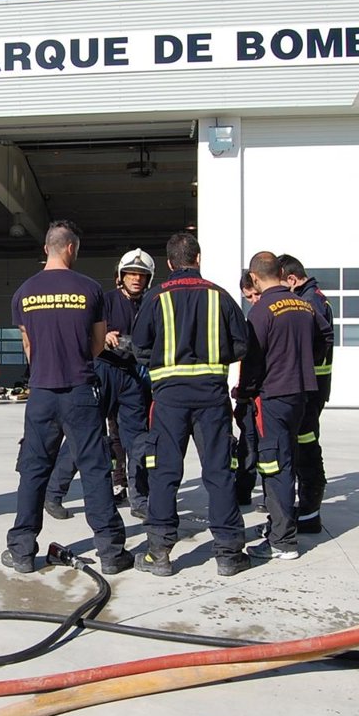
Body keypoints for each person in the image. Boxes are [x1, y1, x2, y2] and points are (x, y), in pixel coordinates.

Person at [3, 222, 132, 575]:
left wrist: (46, 367)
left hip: (42, 393)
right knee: (95, 469)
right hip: (81, 390)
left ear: (47, 248)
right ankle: (110, 552)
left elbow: (28, 345)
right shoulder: (90, 289)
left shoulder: (24, 292)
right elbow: (98, 344)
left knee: (33, 471)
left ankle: (22, 550)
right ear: (71, 248)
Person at [131, 232, 251, 577]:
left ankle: (159, 553)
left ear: (170, 263)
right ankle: (229, 553)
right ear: (198, 259)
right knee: (219, 473)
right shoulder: (220, 296)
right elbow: (241, 346)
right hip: (212, 397)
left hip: (169, 399)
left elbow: (139, 349)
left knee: (164, 473)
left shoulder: (156, 298)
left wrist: (166, 361)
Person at [43, 249, 154, 521]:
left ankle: (139, 500)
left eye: (142, 275)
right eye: (131, 274)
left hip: (132, 375)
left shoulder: (151, 305)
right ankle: (53, 493)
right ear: (121, 276)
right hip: (102, 370)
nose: (136, 279)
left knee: (138, 440)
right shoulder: (105, 301)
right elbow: (81, 331)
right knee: (85, 434)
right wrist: (104, 337)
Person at [238, 251, 332, 561]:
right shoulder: (304, 304)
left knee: (274, 465)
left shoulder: (261, 311)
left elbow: (252, 362)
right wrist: (302, 361)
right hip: (301, 395)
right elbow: (325, 337)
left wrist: (244, 394)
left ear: (254, 278)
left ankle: (282, 540)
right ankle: (286, 525)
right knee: (289, 458)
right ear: (280, 272)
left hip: (273, 398)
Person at [277, 253, 335, 535]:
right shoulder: (314, 298)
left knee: (307, 448)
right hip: (312, 387)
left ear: (291, 279)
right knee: (303, 446)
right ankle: (307, 508)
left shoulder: (309, 302)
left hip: (309, 390)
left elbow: (317, 343)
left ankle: (310, 514)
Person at [233, 273, 262, 511]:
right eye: (248, 297)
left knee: (258, 445)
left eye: (256, 294)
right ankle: (243, 491)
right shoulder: (252, 318)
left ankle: (268, 495)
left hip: (262, 394)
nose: (253, 300)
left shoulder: (262, 316)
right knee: (248, 442)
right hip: (250, 394)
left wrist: (244, 392)